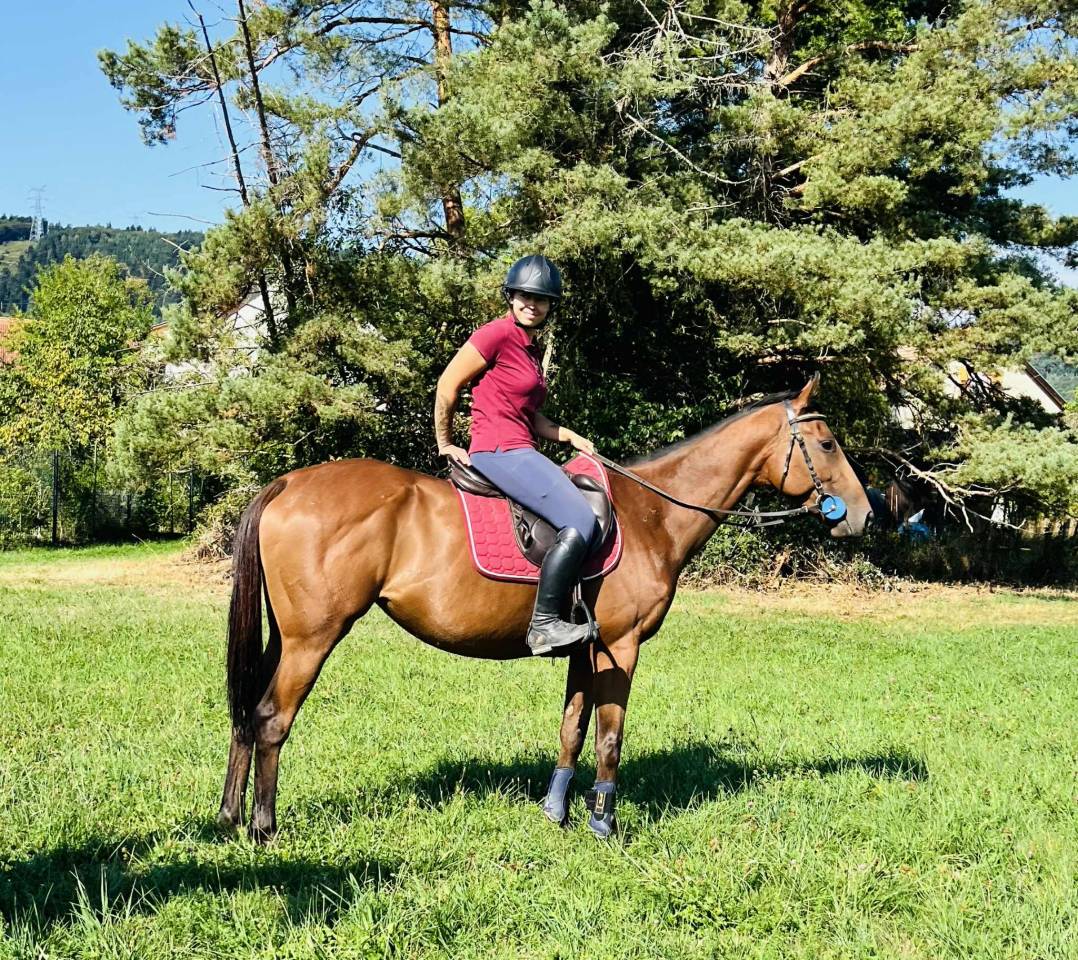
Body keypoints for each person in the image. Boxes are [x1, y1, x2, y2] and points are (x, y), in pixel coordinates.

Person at [434, 255, 600, 656]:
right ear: (511, 296)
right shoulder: (495, 334)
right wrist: (445, 442)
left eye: (542, 299)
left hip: (520, 445)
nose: (533, 304)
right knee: (580, 519)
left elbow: (529, 416)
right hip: (498, 451)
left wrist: (569, 435)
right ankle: (544, 624)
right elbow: (448, 385)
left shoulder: (528, 349)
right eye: (526, 295)